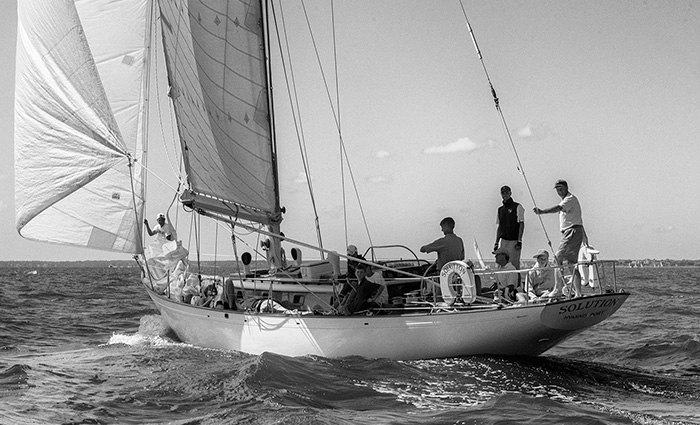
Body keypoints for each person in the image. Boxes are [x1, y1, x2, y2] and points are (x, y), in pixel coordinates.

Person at [533, 179, 586, 297]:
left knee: (557, 259)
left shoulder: (569, 199)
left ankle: (557, 289)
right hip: (574, 231)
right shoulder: (568, 200)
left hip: (571, 232)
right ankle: (578, 293)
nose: (559, 191)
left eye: (561, 188)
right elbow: (578, 219)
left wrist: (542, 212)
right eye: (557, 189)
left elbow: (558, 208)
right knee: (571, 263)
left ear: (566, 188)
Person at [494, 185, 524, 271]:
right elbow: (499, 226)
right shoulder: (500, 210)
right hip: (504, 241)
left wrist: (519, 241)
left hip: (514, 241)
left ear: (510, 193)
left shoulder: (518, 207)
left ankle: (516, 283)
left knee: (513, 264)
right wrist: (496, 242)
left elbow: (521, 224)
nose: (505, 195)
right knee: (502, 263)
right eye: (503, 193)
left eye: (506, 192)